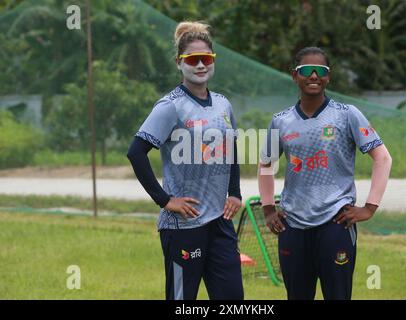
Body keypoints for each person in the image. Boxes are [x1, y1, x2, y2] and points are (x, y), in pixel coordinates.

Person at [258, 47, 392, 300]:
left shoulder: (347, 115)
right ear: (294, 76)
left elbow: (383, 158)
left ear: (328, 77)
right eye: (307, 70)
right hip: (293, 226)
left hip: (335, 223)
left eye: (321, 71)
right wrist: (268, 209)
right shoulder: (281, 120)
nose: (314, 76)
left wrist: (369, 208)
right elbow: (266, 165)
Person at [127, 21, 243, 300]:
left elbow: (231, 149)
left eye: (206, 59)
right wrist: (166, 200)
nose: (200, 65)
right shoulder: (170, 106)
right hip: (184, 225)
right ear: (180, 63)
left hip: (220, 222)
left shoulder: (223, 104)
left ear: (213, 61)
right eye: (193, 60)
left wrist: (235, 193)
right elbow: (136, 152)